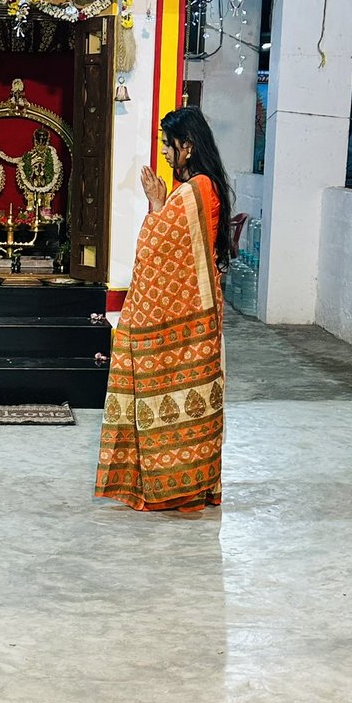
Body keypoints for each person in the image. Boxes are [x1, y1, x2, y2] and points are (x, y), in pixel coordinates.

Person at [95, 105, 232, 513]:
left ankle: (177, 488)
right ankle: (188, 486)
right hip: (197, 316)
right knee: (194, 401)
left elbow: (155, 247)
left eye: (169, 146)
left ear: (187, 147)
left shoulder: (194, 191)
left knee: (177, 396)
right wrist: (160, 203)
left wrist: (156, 206)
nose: (166, 153)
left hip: (181, 319)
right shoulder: (203, 189)